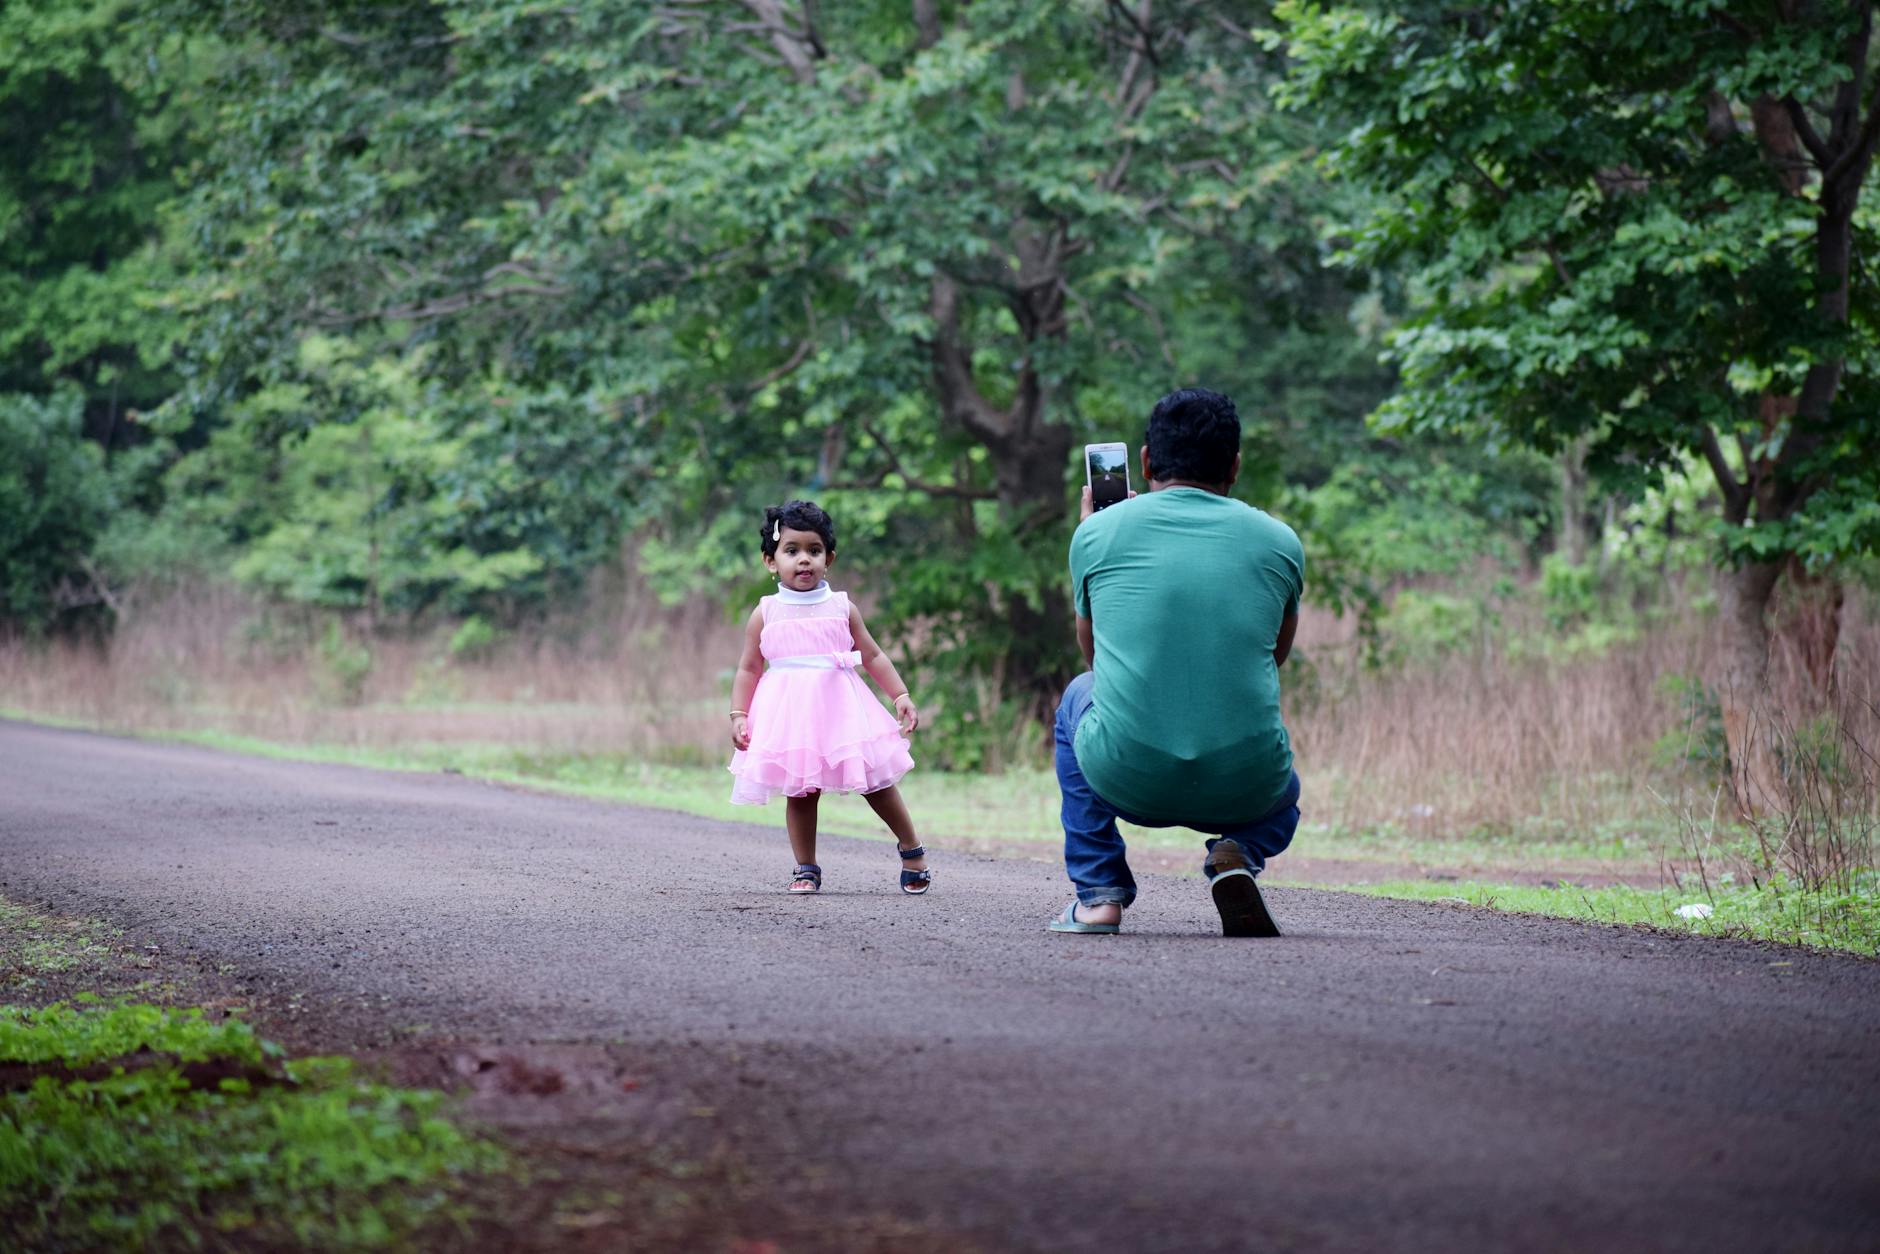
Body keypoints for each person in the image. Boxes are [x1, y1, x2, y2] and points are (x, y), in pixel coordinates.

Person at [1048, 388, 1304, 937]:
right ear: (1235, 465)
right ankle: (1238, 851)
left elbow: (1094, 656)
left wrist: (1093, 528)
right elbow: (1273, 655)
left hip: (1127, 776)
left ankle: (1098, 895)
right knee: (1287, 792)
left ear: (1144, 460)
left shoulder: (1095, 535)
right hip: (1247, 785)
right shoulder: (1280, 542)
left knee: (1078, 694)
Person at [727, 500, 933, 896]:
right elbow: (749, 668)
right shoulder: (766, 612)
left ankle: (912, 849)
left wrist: (900, 694)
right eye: (792, 551)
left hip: (841, 711)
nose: (804, 560)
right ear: (771, 561)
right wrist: (740, 713)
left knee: (875, 781)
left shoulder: (841, 606)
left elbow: (872, 655)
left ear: (829, 558)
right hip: (791, 718)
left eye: (814, 551)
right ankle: (806, 867)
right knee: (801, 791)